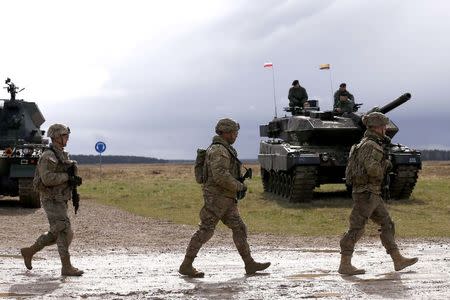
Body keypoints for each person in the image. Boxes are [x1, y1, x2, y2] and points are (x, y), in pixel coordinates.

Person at [179, 118, 270, 277]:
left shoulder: (224, 149)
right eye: (234, 132)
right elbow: (221, 176)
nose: (236, 136)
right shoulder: (219, 151)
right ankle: (186, 265)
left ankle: (249, 264)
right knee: (206, 230)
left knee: (239, 228)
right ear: (226, 133)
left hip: (226, 199)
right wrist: (239, 186)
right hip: (217, 199)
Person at [338, 112, 418, 275]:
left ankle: (398, 259)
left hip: (371, 193)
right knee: (356, 228)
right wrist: (386, 164)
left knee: (387, 224)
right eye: (383, 127)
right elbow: (373, 170)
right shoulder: (371, 145)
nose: (385, 129)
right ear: (376, 127)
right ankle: (345, 264)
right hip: (366, 193)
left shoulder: (364, 143)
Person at [20, 124, 84, 276]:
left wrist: (73, 180)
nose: (67, 138)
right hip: (51, 199)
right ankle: (66, 267)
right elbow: (47, 179)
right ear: (56, 137)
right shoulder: (48, 156)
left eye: (67, 135)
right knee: (63, 229)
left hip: (60, 198)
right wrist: (67, 177)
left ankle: (29, 251)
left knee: (60, 233)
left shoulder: (61, 154)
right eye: (64, 135)